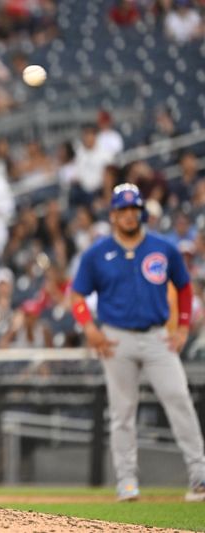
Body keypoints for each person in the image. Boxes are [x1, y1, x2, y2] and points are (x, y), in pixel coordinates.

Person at [70, 183, 205, 502]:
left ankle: (200, 474)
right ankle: (127, 481)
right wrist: (88, 327)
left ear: (141, 212)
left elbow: (184, 288)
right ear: (113, 214)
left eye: (134, 209)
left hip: (157, 335)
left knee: (179, 399)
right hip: (116, 338)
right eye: (123, 209)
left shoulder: (163, 248)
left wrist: (183, 326)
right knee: (122, 412)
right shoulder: (97, 253)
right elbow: (77, 296)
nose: (130, 215)